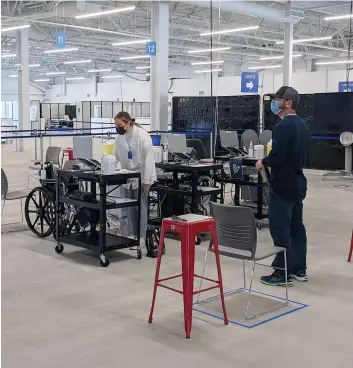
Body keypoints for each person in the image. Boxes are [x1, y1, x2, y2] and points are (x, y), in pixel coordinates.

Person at [255, 86, 310, 287]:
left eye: (278, 99)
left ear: (288, 103)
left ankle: (281, 273)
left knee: (280, 228)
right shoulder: (302, 125)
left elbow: (278, 156)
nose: (274, 102)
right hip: (298, 183)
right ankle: (299, 268)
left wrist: (263, 162)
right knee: (297, 227)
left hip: (283, 184)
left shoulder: (283, 126)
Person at [114, 111, 156, 256]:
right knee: (129, 206)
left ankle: (142, 238)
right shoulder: (119, 137)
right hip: (128, 174)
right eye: (116, 125)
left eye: (119, 125)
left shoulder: (142, 136)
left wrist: (146, 180)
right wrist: (106, 162)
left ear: (128, 123)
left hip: (143, 174)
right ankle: (131, 236)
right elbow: (116, 155)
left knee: (141, 208)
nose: (117, 128)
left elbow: (149, 159)